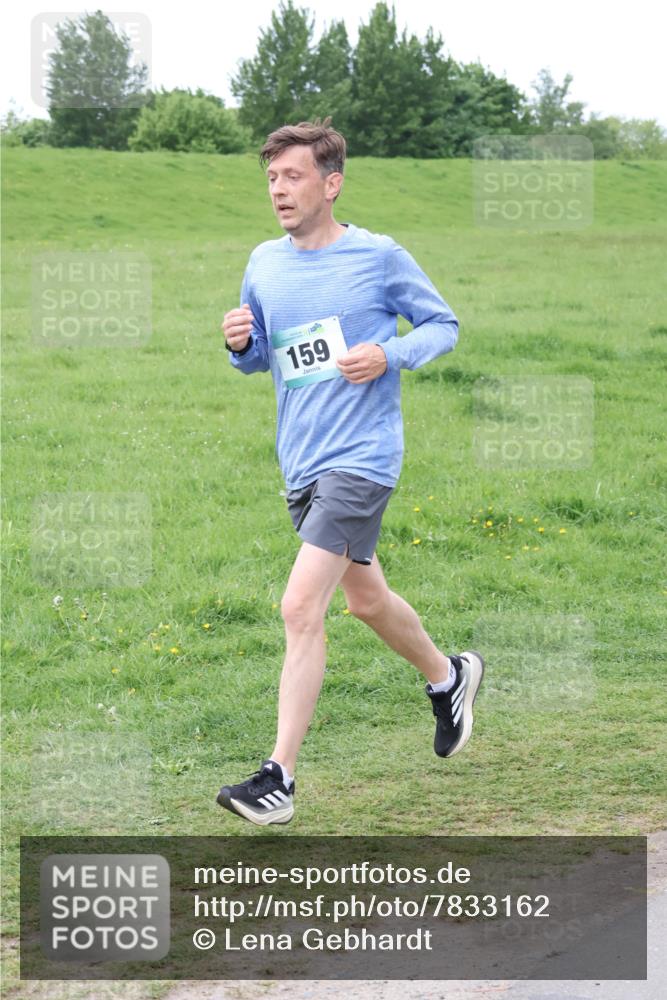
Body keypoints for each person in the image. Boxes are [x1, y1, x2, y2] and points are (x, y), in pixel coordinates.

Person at [217, 117, 484, 826]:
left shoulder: (377, 257)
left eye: (293, 175)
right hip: (300, 461)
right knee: (366, 602)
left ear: (330, 184)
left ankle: (277, 778)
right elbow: (261, 359)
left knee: (300, 608)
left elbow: (441, 326)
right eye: (272, 177)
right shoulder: (263, 263)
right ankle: (447, 675)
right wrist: (239, 344)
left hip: (361, 461)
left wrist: (387, 355)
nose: (279, 188)